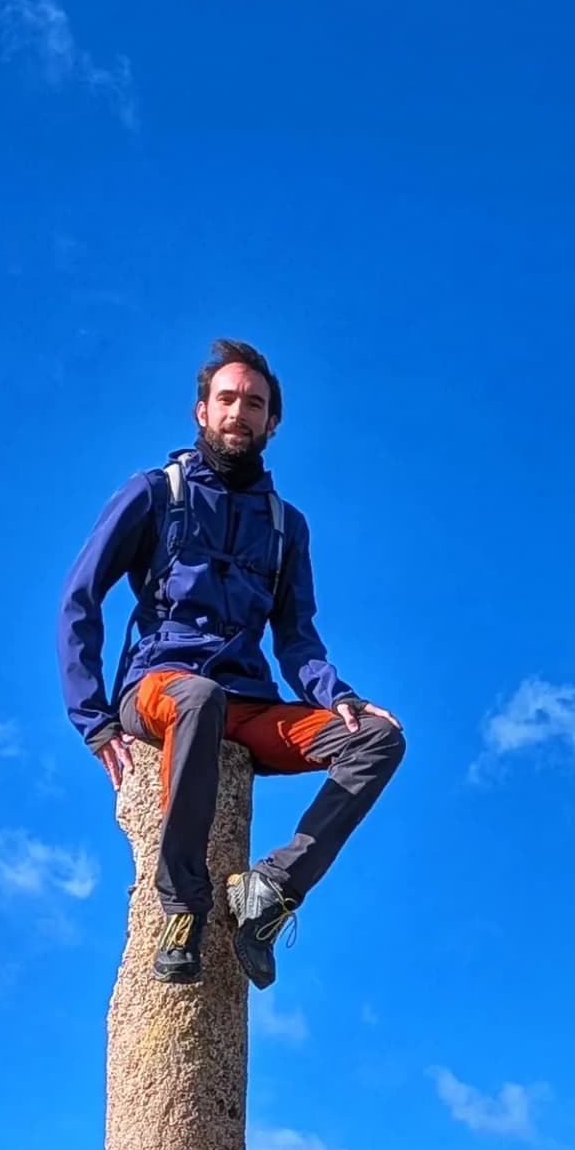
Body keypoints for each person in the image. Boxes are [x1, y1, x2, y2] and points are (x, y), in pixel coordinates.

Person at [56, 340, 404, 985]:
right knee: (198, 699)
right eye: (227, 400)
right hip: (162, 687)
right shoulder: (154, 493)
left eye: (254, 404)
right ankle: (184, 904)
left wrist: (341, 696)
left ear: (272, 422)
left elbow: (297, 638)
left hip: (248, 701)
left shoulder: (284, 524)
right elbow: (81, 596)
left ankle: (271, 890)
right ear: (201, 411)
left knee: (379, 739)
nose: (238, 413)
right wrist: (93, 717)